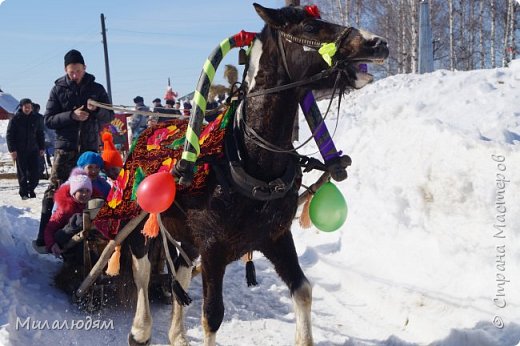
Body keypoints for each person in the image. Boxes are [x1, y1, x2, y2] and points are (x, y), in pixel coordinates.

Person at [33, 49, 114, 251]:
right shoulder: (58, 89)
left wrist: (97, 110)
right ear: (65, 70)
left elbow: (110, 116)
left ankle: (93, 235)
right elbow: (49, 120)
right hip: (65, 148)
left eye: (78, 70)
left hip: (88, 150)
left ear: (85, 68)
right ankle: (44, 236)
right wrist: (71, 115)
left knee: (91, 191)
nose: (75, 75)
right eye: (71, 71)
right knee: (54, 190)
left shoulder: (96, 88)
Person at [44, 168, 92, 257]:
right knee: (78, 220)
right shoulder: (65, 208)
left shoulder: (93, 204)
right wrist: (52, 244)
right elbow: (50, 228)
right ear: (73, 193)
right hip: (69, 242)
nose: (85, 194)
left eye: (87, 191)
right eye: (80, 191)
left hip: (89, 239)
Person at [6, 98, 45, 199]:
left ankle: (31, 189)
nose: (28, 109)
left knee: (35, 173)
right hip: (20, 150)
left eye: (29, 107)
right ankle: (23, 193)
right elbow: (10, 135)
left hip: (33, 150)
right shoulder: (15, 119)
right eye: (26, 107)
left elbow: (40, 134)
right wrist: (12, 150)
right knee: (22, 173)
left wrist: (42, 147)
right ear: (21, 107)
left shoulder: (36, 118)